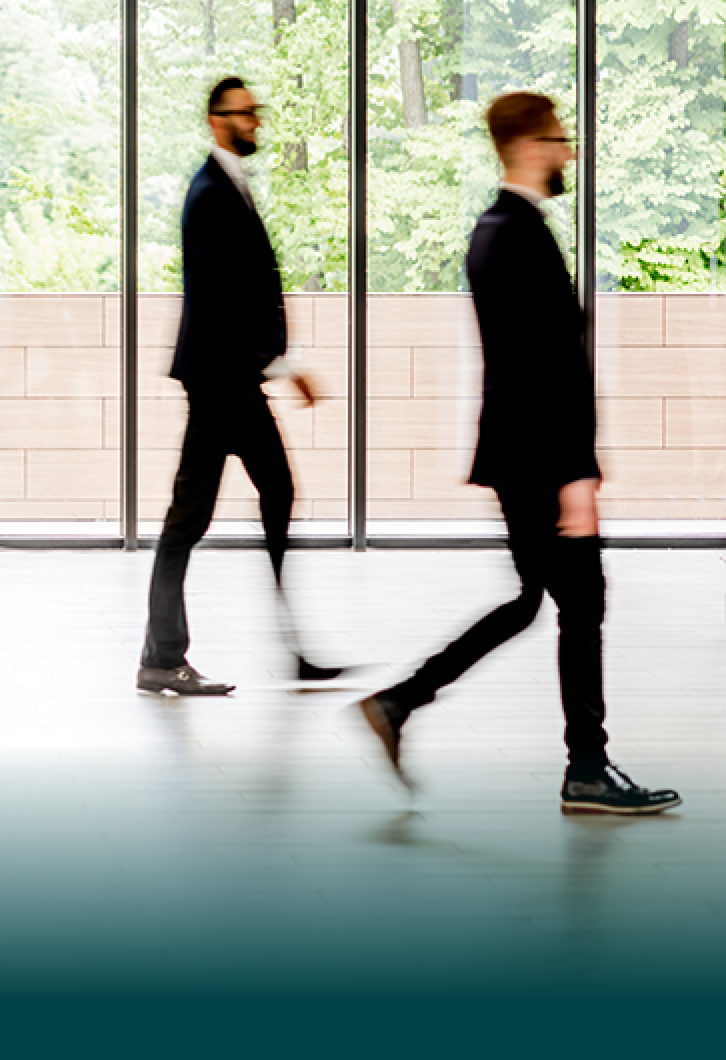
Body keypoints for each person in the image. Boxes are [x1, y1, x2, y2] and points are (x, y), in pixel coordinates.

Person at [357, 94, 679, 814]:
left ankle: (401, 703)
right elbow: (545, 369)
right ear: (528, 145)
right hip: (539, 459)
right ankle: (585, 770)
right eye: (558, 140)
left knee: (538, 600)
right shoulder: (514, 236)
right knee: (578, 601)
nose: (566, 152)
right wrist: (575, 476)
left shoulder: (500, 230)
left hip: (521, 453)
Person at [136, 77, 343, 697]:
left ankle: (283, 649)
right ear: (216, 121)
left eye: (256, 112)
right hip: (223, 385)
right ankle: (162, 657)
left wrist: (280, 362)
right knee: (188, 523)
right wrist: (283, 365)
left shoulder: (230, 187)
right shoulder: (209, 195)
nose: (256, 121)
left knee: (269, 495)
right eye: (245, 114)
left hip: (232, 383)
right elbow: (221, 301)